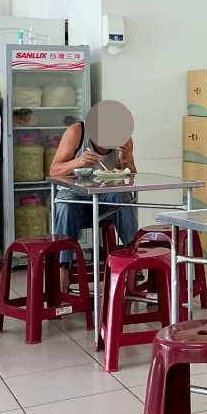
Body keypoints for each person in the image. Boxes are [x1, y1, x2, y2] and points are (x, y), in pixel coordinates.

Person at [49, 120, 139, 293]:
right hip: (75, 195)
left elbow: (131, 176)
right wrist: (78, 162)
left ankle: (133, 261)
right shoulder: (77, 132)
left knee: (123, 196)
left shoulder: (124, 139)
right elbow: (54, 170)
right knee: (66, 205)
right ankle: (63, 271)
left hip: (107, 199)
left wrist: (125, 158)